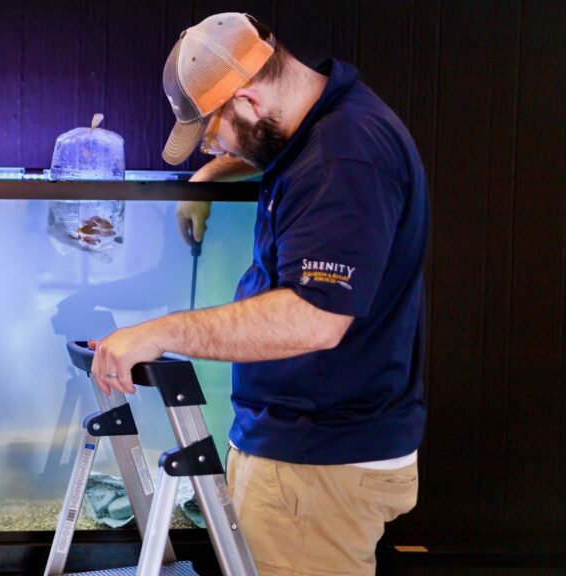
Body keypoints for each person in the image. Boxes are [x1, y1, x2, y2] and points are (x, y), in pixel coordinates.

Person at [88, 13, 427, 576]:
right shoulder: (317, 126)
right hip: (301, 456)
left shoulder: (344, 158)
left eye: (212, 132)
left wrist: (161, 331)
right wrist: (207, 181)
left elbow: (314, 319)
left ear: (246, 98)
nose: (209, 148)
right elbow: (270, 149)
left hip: (316, 466)